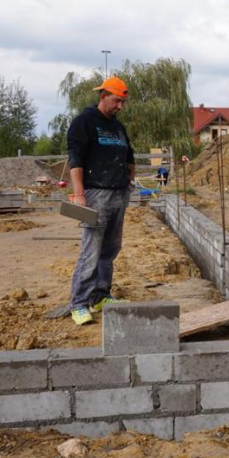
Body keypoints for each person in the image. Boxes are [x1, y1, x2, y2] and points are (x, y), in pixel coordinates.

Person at [66, 76, 135, 325]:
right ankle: (79, 303)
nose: (120, 106)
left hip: (118, 193)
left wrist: (129, 179)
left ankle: (100, 295)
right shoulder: (85, 122)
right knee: (92, 250)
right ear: (103, 96)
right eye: (117, 101)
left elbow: (129, 154)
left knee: (110, 249)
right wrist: (80, 193)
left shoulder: (118, 127)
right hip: (95, 194)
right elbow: (76, 159)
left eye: (123, 102)